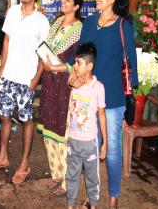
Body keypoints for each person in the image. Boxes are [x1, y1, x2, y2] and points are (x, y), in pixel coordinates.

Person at [68, 0, 138, 209]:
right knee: (91, 151)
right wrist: (71, 71)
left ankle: (114, 197)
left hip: (113, 99)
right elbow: (79, 52)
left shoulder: (123, 26)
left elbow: (132, 62)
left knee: (113, 151)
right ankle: (92, 196)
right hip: (88, 97)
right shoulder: (89, 23)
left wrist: (132, 90)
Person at [0, 0, 50, 184]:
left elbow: (44, 54)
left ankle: (24, 163)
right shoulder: (12, 12)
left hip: (26, 79)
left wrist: (36, 79)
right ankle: (3, 156)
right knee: (5, 116)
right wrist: (2, 69)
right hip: (8, 76)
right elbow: (6, 41)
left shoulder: (42, 21)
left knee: (26, 120)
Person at [36, 0, 84, 196]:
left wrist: (55, 67)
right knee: (49, 129)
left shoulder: (80, 29)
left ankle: (68, 181)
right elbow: (46, 47)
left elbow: (76, 61)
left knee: (63, 132)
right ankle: (57, 175)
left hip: (64, 84)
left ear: (77, 6)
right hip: (49, 83)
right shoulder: (56, 23)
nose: (63, 2)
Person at [66, 42, 107, 209]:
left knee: (92, 177)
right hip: (74, 140)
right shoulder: (75, 84)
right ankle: (70, 205)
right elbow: (70, 84)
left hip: (90, 142)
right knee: (71, 175)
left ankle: (93, 204)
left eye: (78, 63)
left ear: (89, 66)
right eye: (75, 62)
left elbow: (102, 115)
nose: (75, 66)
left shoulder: (98, 88)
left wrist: (105, 141)